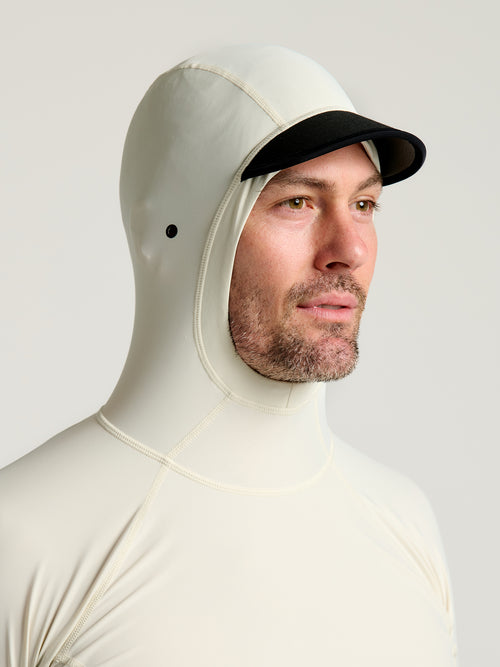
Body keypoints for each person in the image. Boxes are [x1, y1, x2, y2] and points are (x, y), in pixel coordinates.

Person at [0, 45, 458, 665]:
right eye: (297, 201)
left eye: (364, 204)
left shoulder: (406, 523)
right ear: (166, 230)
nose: (349, 250)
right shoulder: (23, 541)